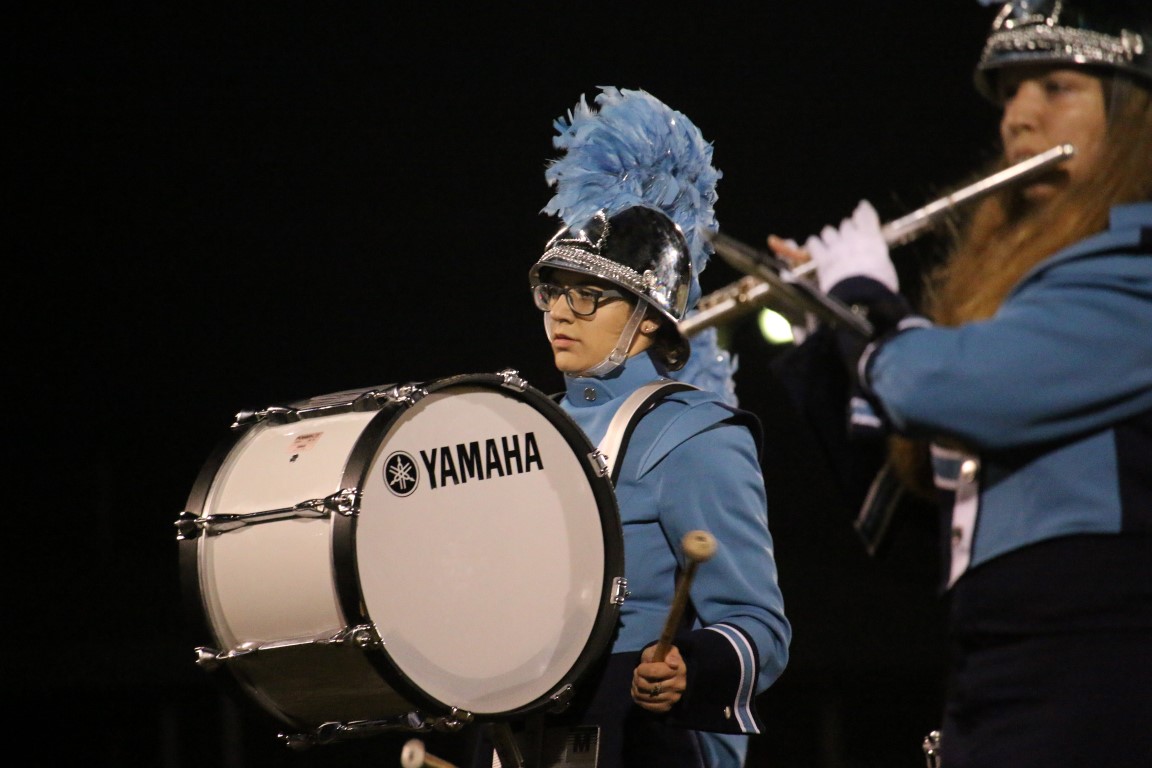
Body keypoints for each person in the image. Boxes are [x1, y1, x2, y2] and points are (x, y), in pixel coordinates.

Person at [766, 2, 1152, 766]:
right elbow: (917, 505)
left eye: (1056, 86)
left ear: (1134, 111)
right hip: (1000, 659)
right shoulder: (1043, 296)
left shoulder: (1137, 268)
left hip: (1096, 659)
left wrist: (868, 304)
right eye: (1009, 93)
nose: (1019, 117)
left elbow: (942, 388)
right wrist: (828, 338)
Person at [474, 86, 790, 768]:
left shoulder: (695, 436)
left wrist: (690, 666)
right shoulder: (526, 430)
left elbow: (759, 624)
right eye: (553, 292)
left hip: (638, 738)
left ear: (648, 321)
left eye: (588, 296)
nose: (561, 313)